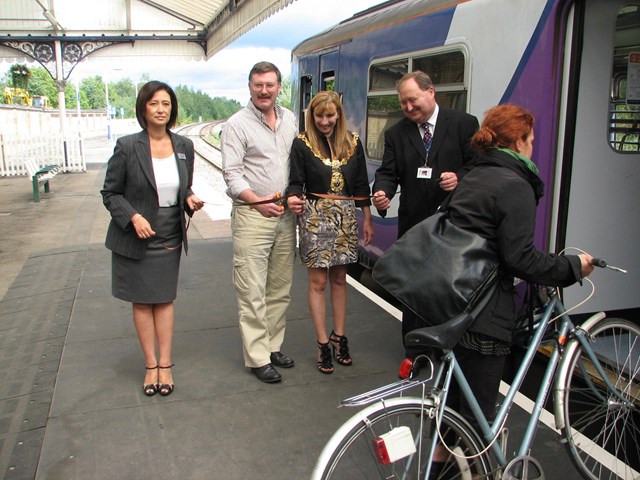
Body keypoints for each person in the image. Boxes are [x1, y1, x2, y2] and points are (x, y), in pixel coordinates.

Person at [433, 104, 594, 461]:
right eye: (531, 140)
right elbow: (520, 259)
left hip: (451, 300)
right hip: (484, 311)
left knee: (453, 411)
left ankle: (438, 467)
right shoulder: (514, 184)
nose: (533, 146)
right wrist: (572, 267)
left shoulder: (473, 175)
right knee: (478, 424)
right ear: (519, 142)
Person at [101, 80, 204, 397]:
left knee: (164, 298)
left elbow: (181, 186)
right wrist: (133, 217)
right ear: (143, 108)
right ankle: (150, 365)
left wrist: (189, 198)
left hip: (169, 232)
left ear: (172, 110)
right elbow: (111, 193)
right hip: (137, 234)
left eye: (166, 104)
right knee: (143, 301)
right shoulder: (128, 146)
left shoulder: (184, 146)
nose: (161, 110)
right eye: (154, 104)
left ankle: (166, 364)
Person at [371, 70, 479, 351]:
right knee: (414, 290)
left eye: (412, 100)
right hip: (414, 225)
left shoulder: (464, 124)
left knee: (450, 289)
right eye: (403, 103)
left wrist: (460, 178)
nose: (408, 108)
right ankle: (415, 352)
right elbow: (388, 172)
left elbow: (478, 166)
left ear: (430, 92)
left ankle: (450, 351)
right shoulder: (396, 133)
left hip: (455, 225)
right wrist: (382, 193)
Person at [221, 61, 301, 384]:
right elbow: (232, 175)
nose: (264, 90)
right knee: (252, 289)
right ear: (250, 87)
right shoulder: (237, 125)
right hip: (253, 215)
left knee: (280, 287)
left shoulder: (290, 119)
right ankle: (257, 357)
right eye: (258, 85)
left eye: (270, 84)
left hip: (285, 216)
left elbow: (297, 162)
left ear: (280, 86)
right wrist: (258, 201)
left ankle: (272, 346)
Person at [286, 91, 374, 374]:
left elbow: (361, 184)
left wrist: (368, 219)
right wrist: (293, 198)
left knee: (339, 277)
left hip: (346, 217)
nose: (325, 121)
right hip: (315, 217)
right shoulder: (301, 143)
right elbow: (295, 181)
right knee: (318, 282)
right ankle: (322, 342)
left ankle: (339, 335)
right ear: (312, 116)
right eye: (319, 116)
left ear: (339, 115)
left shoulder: (353, 141)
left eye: (330, 115)